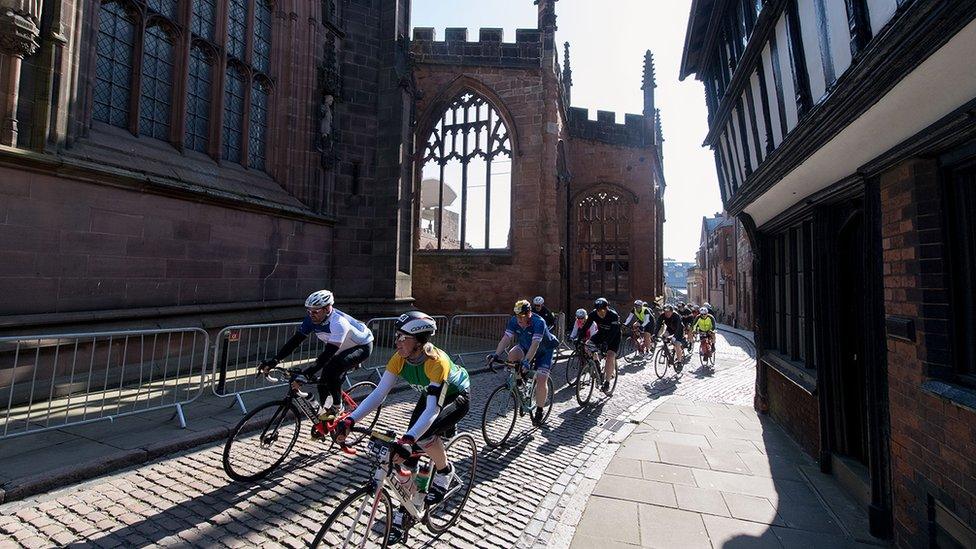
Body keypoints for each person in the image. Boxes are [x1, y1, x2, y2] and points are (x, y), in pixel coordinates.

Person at [331, 311, 470, 544]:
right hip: (430, 396)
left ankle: (445, 472)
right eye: (397, 336)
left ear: (418, 341)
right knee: (406, 460)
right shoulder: (399, 358)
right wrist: (350, 420)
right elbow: (378, 394)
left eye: (402, 337)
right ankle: (409, 507)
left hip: (456, 397)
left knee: (422, 438)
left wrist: (409, 438)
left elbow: (433, 410)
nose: (397, 342)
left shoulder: (437, 362)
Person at [260, 290, 373, 436]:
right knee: (323, 383)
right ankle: (327, 419)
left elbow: (327, 355)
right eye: (309, 311)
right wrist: (274, 360)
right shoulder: (311, 319)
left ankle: (337, 407)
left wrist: (306, 374)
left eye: (315, 311)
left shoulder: (338, 323)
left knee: (331, 369)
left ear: (327, 309)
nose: (311, 314)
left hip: (361, 346)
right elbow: (295, 341)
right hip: (340, 347)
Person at [492, 299, 559, 426]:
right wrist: (496, 354)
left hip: (544, 350)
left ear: (529, 314)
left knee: (541, 377)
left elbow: (535, 344)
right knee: (512, 354)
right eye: (517, 316)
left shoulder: (538, 322)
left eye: (522, 316)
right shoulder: (514, 320)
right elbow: (506, 338)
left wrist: (526, 361)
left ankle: (539, 410)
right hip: (525, 346)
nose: (519, 319)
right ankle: (521, 387)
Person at [576, 297, 621, 393]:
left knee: (610, 355)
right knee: (587, 344)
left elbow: (614, 331)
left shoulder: (613, 315)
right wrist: (579, 339)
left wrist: (606, 344)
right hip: (601, 334)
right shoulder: (593, 314)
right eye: (598, 310)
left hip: (614, 337)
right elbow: (586, 327)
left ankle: (607, 382)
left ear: (607, 308)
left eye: (602, 310)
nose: (600, 312)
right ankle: (596, 362)